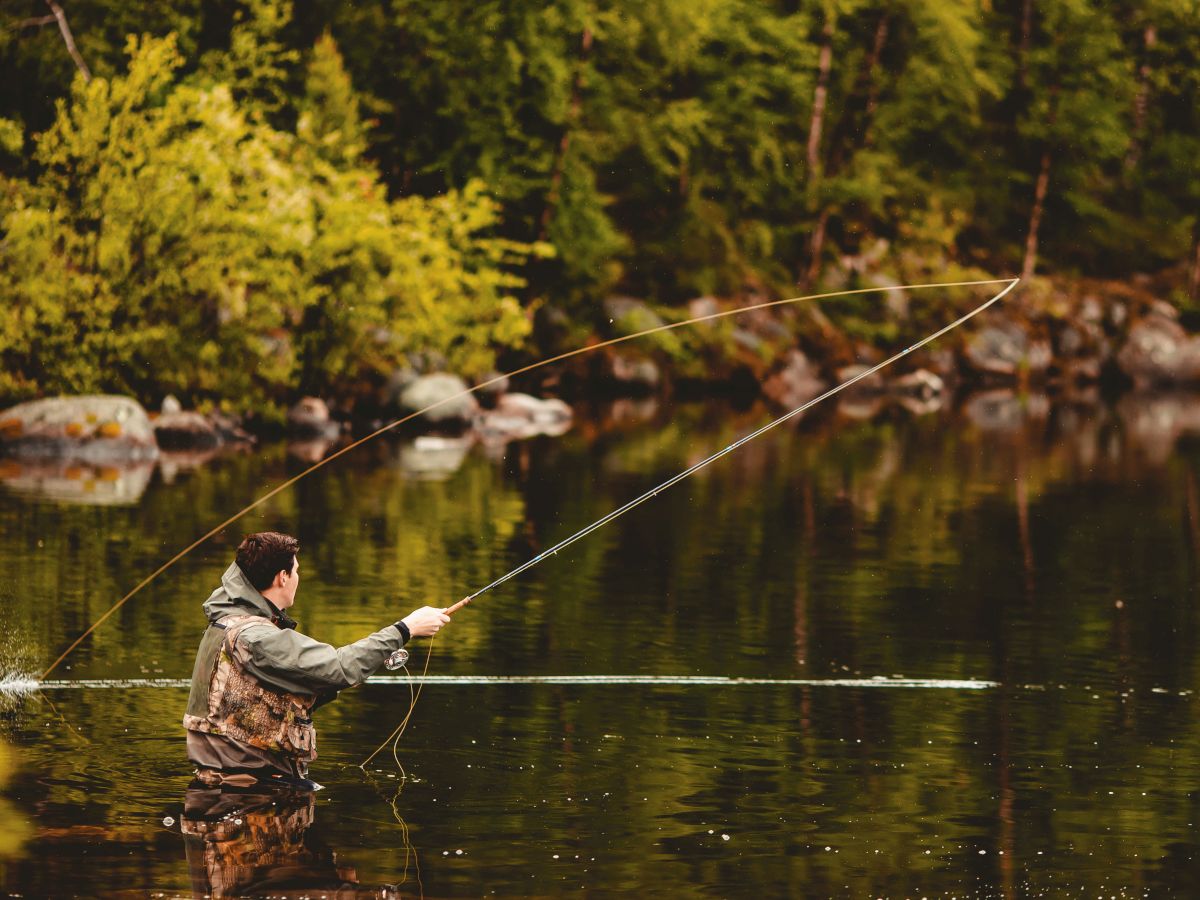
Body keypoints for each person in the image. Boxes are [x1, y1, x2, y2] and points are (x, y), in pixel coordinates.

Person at [183, 531, 449, 788]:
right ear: (282, 577)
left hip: (230, 782)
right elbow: (339, 667)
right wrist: (405, 629)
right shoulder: (257, 637)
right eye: (296, 571)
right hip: (249, 789)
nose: (298, 577)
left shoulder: (226, 621)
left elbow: (274, 691)